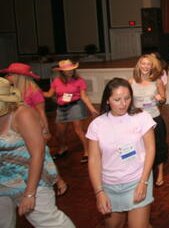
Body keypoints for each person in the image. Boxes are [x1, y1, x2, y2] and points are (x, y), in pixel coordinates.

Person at [0, 77, 75, 228]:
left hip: (30, 180)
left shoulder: (22, 114)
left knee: (50, 223)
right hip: (3, 182)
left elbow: (39, 153)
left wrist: (29, 193)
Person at [86, 78, 155, 228]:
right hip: (109, 186)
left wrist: (143, 182)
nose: (123, 104)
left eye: (127, 98)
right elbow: (94, 160)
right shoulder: (97, 125)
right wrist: (99, 192)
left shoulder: (142, 117)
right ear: (107, 101)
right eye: (117, 99)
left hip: (137, 180)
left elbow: (150, 149)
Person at [1, 63, 69, 197]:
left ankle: (59, 182)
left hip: (34, 129)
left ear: (18, 76)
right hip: (19, 130)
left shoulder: (34, 91)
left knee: (43, 157)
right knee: (36, 158)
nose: (7, 76)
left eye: (10, 74)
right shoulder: (11, 91)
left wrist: (45, 131)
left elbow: (41, 113)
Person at [43, 60, 98, 163]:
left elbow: (84, 96)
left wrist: (92, 110)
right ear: (62, 72)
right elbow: (49, 94)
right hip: (61, 108)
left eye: (72, 69)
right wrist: (36, 92)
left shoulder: (79, 81)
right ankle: (63, 148)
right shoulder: (57, 81)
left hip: (75, 105)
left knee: (78, 130)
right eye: (67, 70)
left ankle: (87, 152)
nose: (70, 71)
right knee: (60, 133)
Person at [128, 55, 168, 187]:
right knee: (140, 147)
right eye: (143, 64)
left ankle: (160, 172)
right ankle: (144, 172)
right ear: (139, 65)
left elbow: (163, 100)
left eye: (148, 64)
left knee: (159, 146)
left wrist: (160, 98)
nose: (145, 66)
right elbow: (127, 101)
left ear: (152, 67)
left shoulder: (157, 82)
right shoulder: (131, 82)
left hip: (154, 118)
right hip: (137, 120)